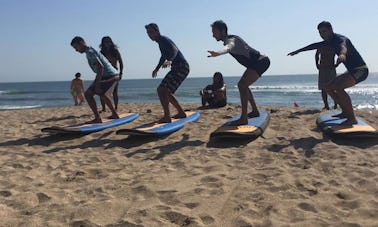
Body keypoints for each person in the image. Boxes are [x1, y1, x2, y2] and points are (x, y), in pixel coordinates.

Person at [288, 21, 368, 125]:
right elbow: (314, 45)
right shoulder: (328, 42)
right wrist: (298, 50)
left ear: (331, 29)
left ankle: (352, 118)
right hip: (351, 71)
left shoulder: (340, 39)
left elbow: (343, 46)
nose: (322, 35)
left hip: (360, 70)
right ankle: (344, 112)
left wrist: (342, 55)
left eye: (324, 32)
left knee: (339, 87)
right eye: (320, 33)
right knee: (328, 87)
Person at [208, 20, 270, 125]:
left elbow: (228, 47)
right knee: (244, 85)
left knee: (242, 85)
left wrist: (218, 53)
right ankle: (254, 111)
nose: (213, 35)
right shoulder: (229, 39)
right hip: (257, 63)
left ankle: (244, 118)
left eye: (214, 31)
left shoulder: (231, 40)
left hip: (261, 61)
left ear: (222, 31)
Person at [145, 23, 190, 123]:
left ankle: (167, 116)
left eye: (151, 32)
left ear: (157, 31)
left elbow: (174, 49)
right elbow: (163, 56)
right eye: (148, 33)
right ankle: (181, 112)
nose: (149, 35)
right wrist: (157, 69)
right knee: (165, 91)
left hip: (181, 67)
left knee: (161, 89)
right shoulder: (160, 42)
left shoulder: (164, 40)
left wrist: (170, 60)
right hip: (179, 67)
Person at [70, 36, 120, 124]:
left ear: (81, 43)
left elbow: (100, 67)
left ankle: (98, 118)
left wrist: (97, 85)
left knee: (88, 94)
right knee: (102, 94)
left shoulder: (90, 52)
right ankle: (114, 114)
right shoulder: (90, 50)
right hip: (111, 75)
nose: (76, 50)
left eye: (76, 47)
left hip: (109, 76)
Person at [99, 36, 124, 112]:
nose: (107, 43)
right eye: (105, 42)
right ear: (103, 43)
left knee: (115, 92)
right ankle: (103, 108)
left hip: (114, 73)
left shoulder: (115, 51)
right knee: (102, 91)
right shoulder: (101, 52)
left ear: (111, 42)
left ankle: (116, 107)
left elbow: (121, 62)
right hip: (104, 73)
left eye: (108, 42)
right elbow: (99, 64)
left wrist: (121, 73)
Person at [315, 46, 338, 110]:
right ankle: (326, 105)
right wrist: (317, 63)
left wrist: (337, 63)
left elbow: (340, 54)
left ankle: (336, 104)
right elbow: (317, 54)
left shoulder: (333, 46)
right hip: (323, 68)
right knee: (323, 88)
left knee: (333, 87)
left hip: (331, 68)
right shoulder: (321, 45)